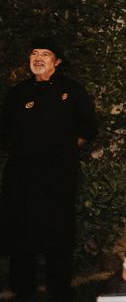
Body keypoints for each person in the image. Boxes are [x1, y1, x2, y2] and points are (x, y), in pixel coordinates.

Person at [0, 37, 97, 301]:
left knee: (58, 231)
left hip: (58, 174)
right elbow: (5, 131)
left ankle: (60, 289)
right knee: (22, 232)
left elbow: (88, 126)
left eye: (45, 54)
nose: (38, 58)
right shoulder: (17, 93)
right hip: (22, 174)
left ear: (57, 62)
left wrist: (65, 151)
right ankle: (23, 288)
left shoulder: (72, 90)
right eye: (34, 54)